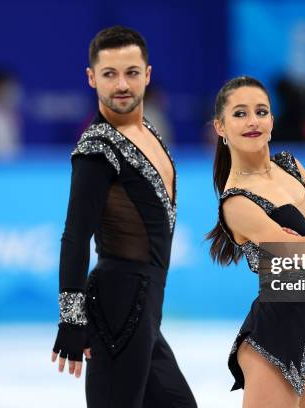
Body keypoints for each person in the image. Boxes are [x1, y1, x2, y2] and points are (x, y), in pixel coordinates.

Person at [51, 26, 197, 408]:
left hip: (144, 312)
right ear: (91, 78)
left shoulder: (148, 130)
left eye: (131, 72)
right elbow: (75, 235)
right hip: (118, 308)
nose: (121, 85)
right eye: (109, 74)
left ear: (147, 74)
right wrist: (71, 318)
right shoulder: (96, 148)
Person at [207, 76, 305, 407]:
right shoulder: (236, 202)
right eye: (239, 114)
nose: (252, 121)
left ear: (272, 120)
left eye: (261, 111)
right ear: (220, 127)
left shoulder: (290, 166)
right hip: (273, 348)